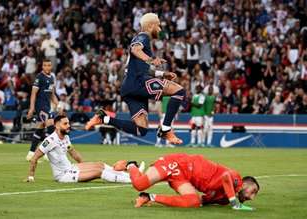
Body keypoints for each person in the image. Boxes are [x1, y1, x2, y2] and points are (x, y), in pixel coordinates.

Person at [85, 13, 186, 145]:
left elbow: (140, 68)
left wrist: (162, 74)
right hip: (138, 83)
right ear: (151, 26)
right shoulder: (143, 37)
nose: (160, 29)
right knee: (179, 91)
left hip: (130, 87)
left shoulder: (142, 41)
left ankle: (104, 119)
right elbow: (135, 50)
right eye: (158, 26)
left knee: (141, 129)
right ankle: (166, 129)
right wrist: (151, 59)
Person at [114, 153, 259, 210]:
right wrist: (235, 204)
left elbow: (204, 201)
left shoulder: (224, 199)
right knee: (139, 184)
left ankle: (148, 197)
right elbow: (226, 177)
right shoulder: (236, 179)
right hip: (178, 163)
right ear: (245, 184)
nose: (251, 197)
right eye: (253, 191)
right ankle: (130, 165)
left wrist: (204, 202)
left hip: (183, 178)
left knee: (194, 202)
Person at [25, 115, 140, 183]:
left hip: (71, 168)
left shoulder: (66, 138)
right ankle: (131, 180)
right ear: (57, 125)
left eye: (68, 123)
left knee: (99, 164)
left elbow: (73, 152)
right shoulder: (50, 141)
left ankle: (132, 175)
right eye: (65, 124)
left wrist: (84, 166)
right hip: (63, 175)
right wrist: (31, 176)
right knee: (98, 172)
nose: (68, 126)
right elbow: (35, 157)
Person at [25, 59, 59, 161]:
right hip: (40, 107)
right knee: (51, 126)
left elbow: (52, 94)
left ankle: (31, 153)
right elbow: (33, 94)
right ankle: (48, 153)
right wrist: (31, 108)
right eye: (45, 65)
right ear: (42, 67)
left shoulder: (52, 78)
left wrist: (59, 104)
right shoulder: (39, 77)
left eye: (49, 65)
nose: (47, 67)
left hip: (47, 106)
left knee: (40, 127)